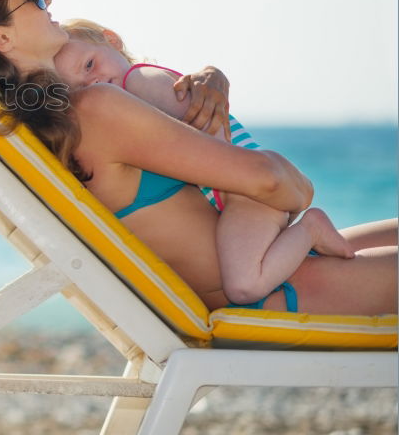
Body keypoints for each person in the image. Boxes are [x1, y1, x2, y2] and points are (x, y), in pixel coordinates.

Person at [0, 0, 397, 315]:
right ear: (2, 37)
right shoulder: (96, 108)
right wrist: (298, 189)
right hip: (278, 293)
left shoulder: (45, 132)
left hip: (275, 268)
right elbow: (272, 181)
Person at [53, 18, 354, 306]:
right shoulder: (134, 89)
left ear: (111, 40)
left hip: (244, 195)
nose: (92, 81)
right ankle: (307, 238)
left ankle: (311, 228)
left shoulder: (139, 80)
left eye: (90, 64)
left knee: (244, 286)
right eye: (79, 85)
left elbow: (202, 127)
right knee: (256, 271)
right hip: (240, 193)